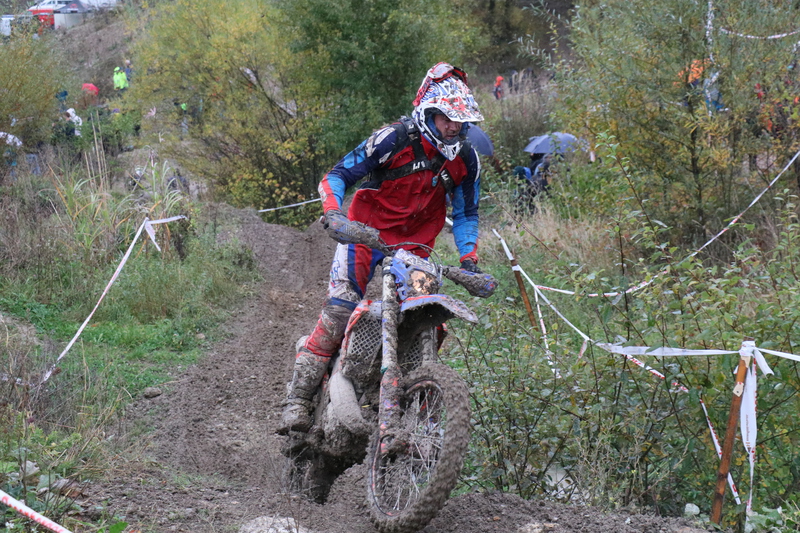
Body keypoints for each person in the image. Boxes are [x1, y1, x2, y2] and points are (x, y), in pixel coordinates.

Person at [277, 62, 485, 435]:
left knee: (426, 320)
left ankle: (417, 407)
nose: (454, 126)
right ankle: (299, 399)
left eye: (460, 120)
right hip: (364, 235)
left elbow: (467, 212)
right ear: (429, 113)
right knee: (340, 309)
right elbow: (337, 175)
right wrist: (334, 214)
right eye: (446, 118)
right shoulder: (393, 139)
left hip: (415, 250)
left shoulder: (466, 158)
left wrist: (469, 259)